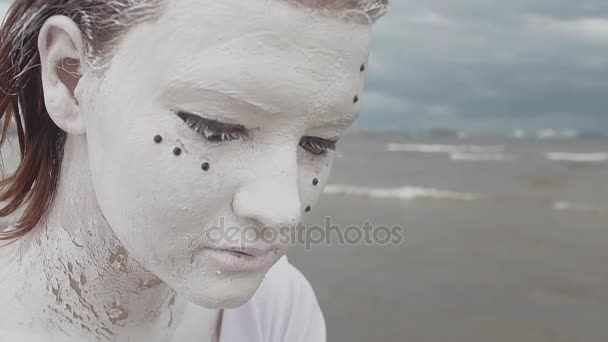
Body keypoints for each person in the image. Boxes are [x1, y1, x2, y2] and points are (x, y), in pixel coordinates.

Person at [0, 0, 389, 341]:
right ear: (70, 77)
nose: (283, 210)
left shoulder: (280, 308)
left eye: (319, 142)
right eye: (215, 128)